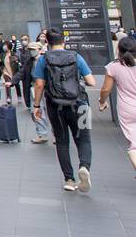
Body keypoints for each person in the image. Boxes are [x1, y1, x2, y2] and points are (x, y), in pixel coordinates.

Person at [33, 30, 97, 192]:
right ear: (64, 41)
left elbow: (39, 85)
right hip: (80, 104)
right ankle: (84, 167)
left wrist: (36, 106)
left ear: (47, 42)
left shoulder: (43, 59)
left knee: (62, 141)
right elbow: (92, 81)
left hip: (55, 106)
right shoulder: (76, 57)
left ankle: (69, 179)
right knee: (84, 139)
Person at [99, 34, 136, 175]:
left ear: (119, 50)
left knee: (134, 145)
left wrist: (102, 102)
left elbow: (106, 89)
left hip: (127, 108)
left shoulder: (113, 67)